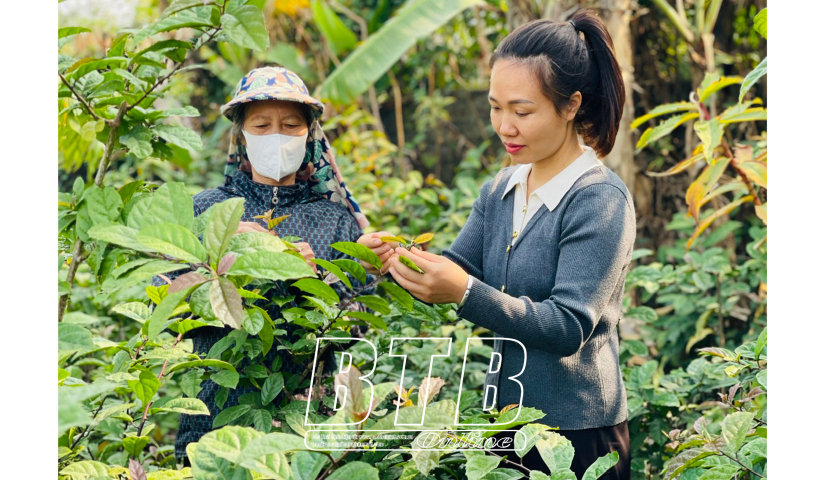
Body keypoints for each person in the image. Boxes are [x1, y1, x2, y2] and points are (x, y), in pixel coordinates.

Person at [358, 11, 634, 479]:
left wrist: (464, 291)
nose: (504, 126)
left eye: (522, 111)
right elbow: (455, 269)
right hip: (505, 424)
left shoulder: (598, 199)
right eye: (495, 107)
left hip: (579, 435)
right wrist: (391, 259)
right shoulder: (501, 188)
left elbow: (568, 325)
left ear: (571, 106)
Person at [161, 66, 370, 465]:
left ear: (309, 134)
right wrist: (220, 268)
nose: (277, 135)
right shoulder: (206, 211)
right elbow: (165, 309)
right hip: (215, 420)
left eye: (291, 125)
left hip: (304, 427)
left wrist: (313, 279)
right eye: (261, 124)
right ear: (240, 135)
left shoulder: (334, 221)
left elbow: (355, 330)